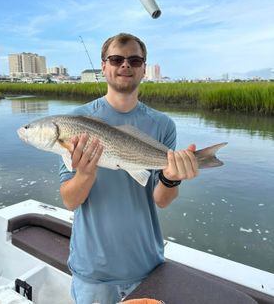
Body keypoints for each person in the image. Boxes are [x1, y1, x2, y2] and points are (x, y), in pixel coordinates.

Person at [59, 33, 198, 304]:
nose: (125, 65)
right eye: (116, 59)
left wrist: (171, 180)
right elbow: (69, 200)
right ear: (104, 66)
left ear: (144, 68)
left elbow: (162, 200)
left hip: (146, 265)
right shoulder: (76, 121)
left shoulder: (163, 125)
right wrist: (86, 173)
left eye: (134, 60)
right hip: (92, 271)